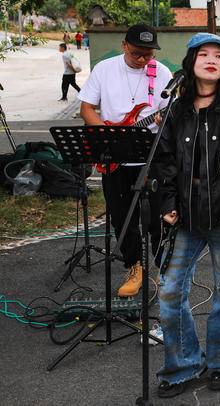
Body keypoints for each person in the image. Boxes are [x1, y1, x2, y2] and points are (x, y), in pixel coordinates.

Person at [152, 33, 220, 398]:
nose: (212, 60)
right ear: (191, 62)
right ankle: (183, 365)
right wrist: (167, 203)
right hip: (185, 216)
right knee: (170, 291)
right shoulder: (176, 108)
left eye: (219, 55)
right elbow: (164, 161)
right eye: (204, 54)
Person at [78, 24, 173, 297]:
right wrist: (107, 136)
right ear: (124, 46)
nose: (142, 60)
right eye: (136, 53)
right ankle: (135, 267)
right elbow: (87, 108)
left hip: (151, 155)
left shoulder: (162, 73)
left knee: (159, 216)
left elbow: (171, 114)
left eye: (148, 54)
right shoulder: (105, 69)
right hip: (115, 156)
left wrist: (164, 120)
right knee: (122, 217)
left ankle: (164, 268)